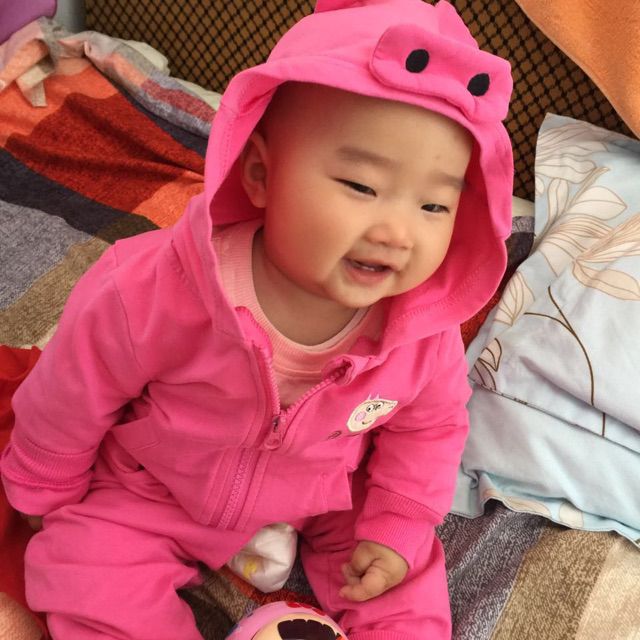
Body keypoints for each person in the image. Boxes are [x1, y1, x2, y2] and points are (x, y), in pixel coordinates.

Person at [0, 0, 513, 638]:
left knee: (400, 579)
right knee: (81, 567)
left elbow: (429, 429)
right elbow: (72, 388)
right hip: (157, 486)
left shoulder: (418, 332)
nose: (397, 232)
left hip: (321, 494)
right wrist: (42, 487)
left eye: (434, 206)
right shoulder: (155, 288)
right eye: (361, 186)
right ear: (261, 175)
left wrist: (397, 527)